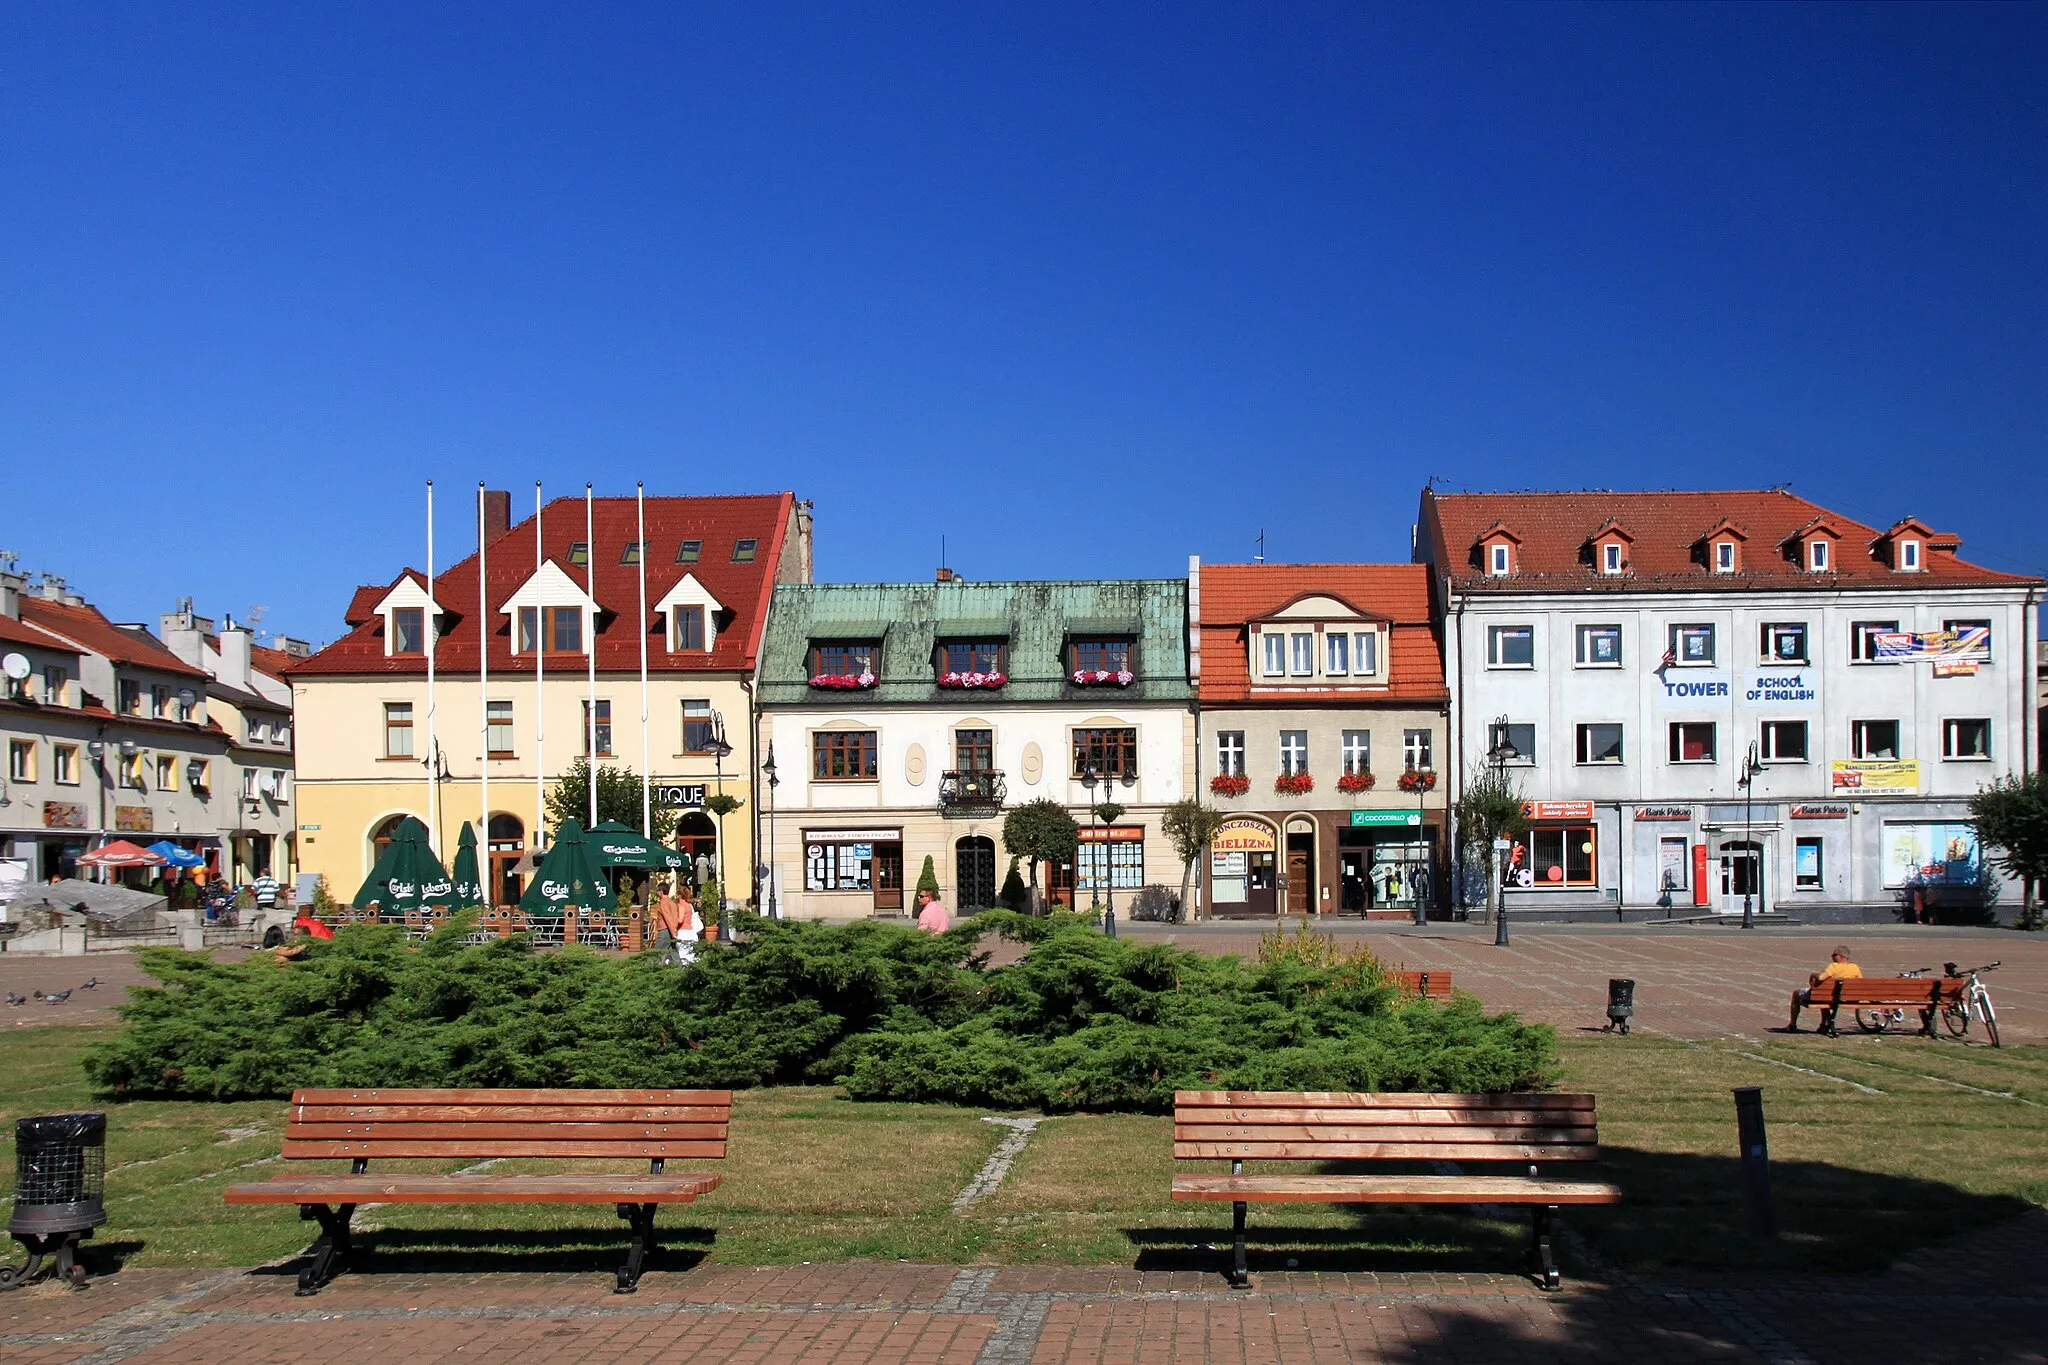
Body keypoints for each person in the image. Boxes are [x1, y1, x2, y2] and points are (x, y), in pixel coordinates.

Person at [1787, 945, 1861, 1030]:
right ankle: (1822, 1025)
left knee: (1797, 994)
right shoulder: (1855, 967)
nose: (1832, 957)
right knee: (1823, 996)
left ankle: (1792, 1025)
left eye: (1834, 955)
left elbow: (1821, 977)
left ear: (1840, 956)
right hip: (1848, 998)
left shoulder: (1834, 966)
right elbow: (1860, 982)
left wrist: (1813, 974)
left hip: (1831, 997)